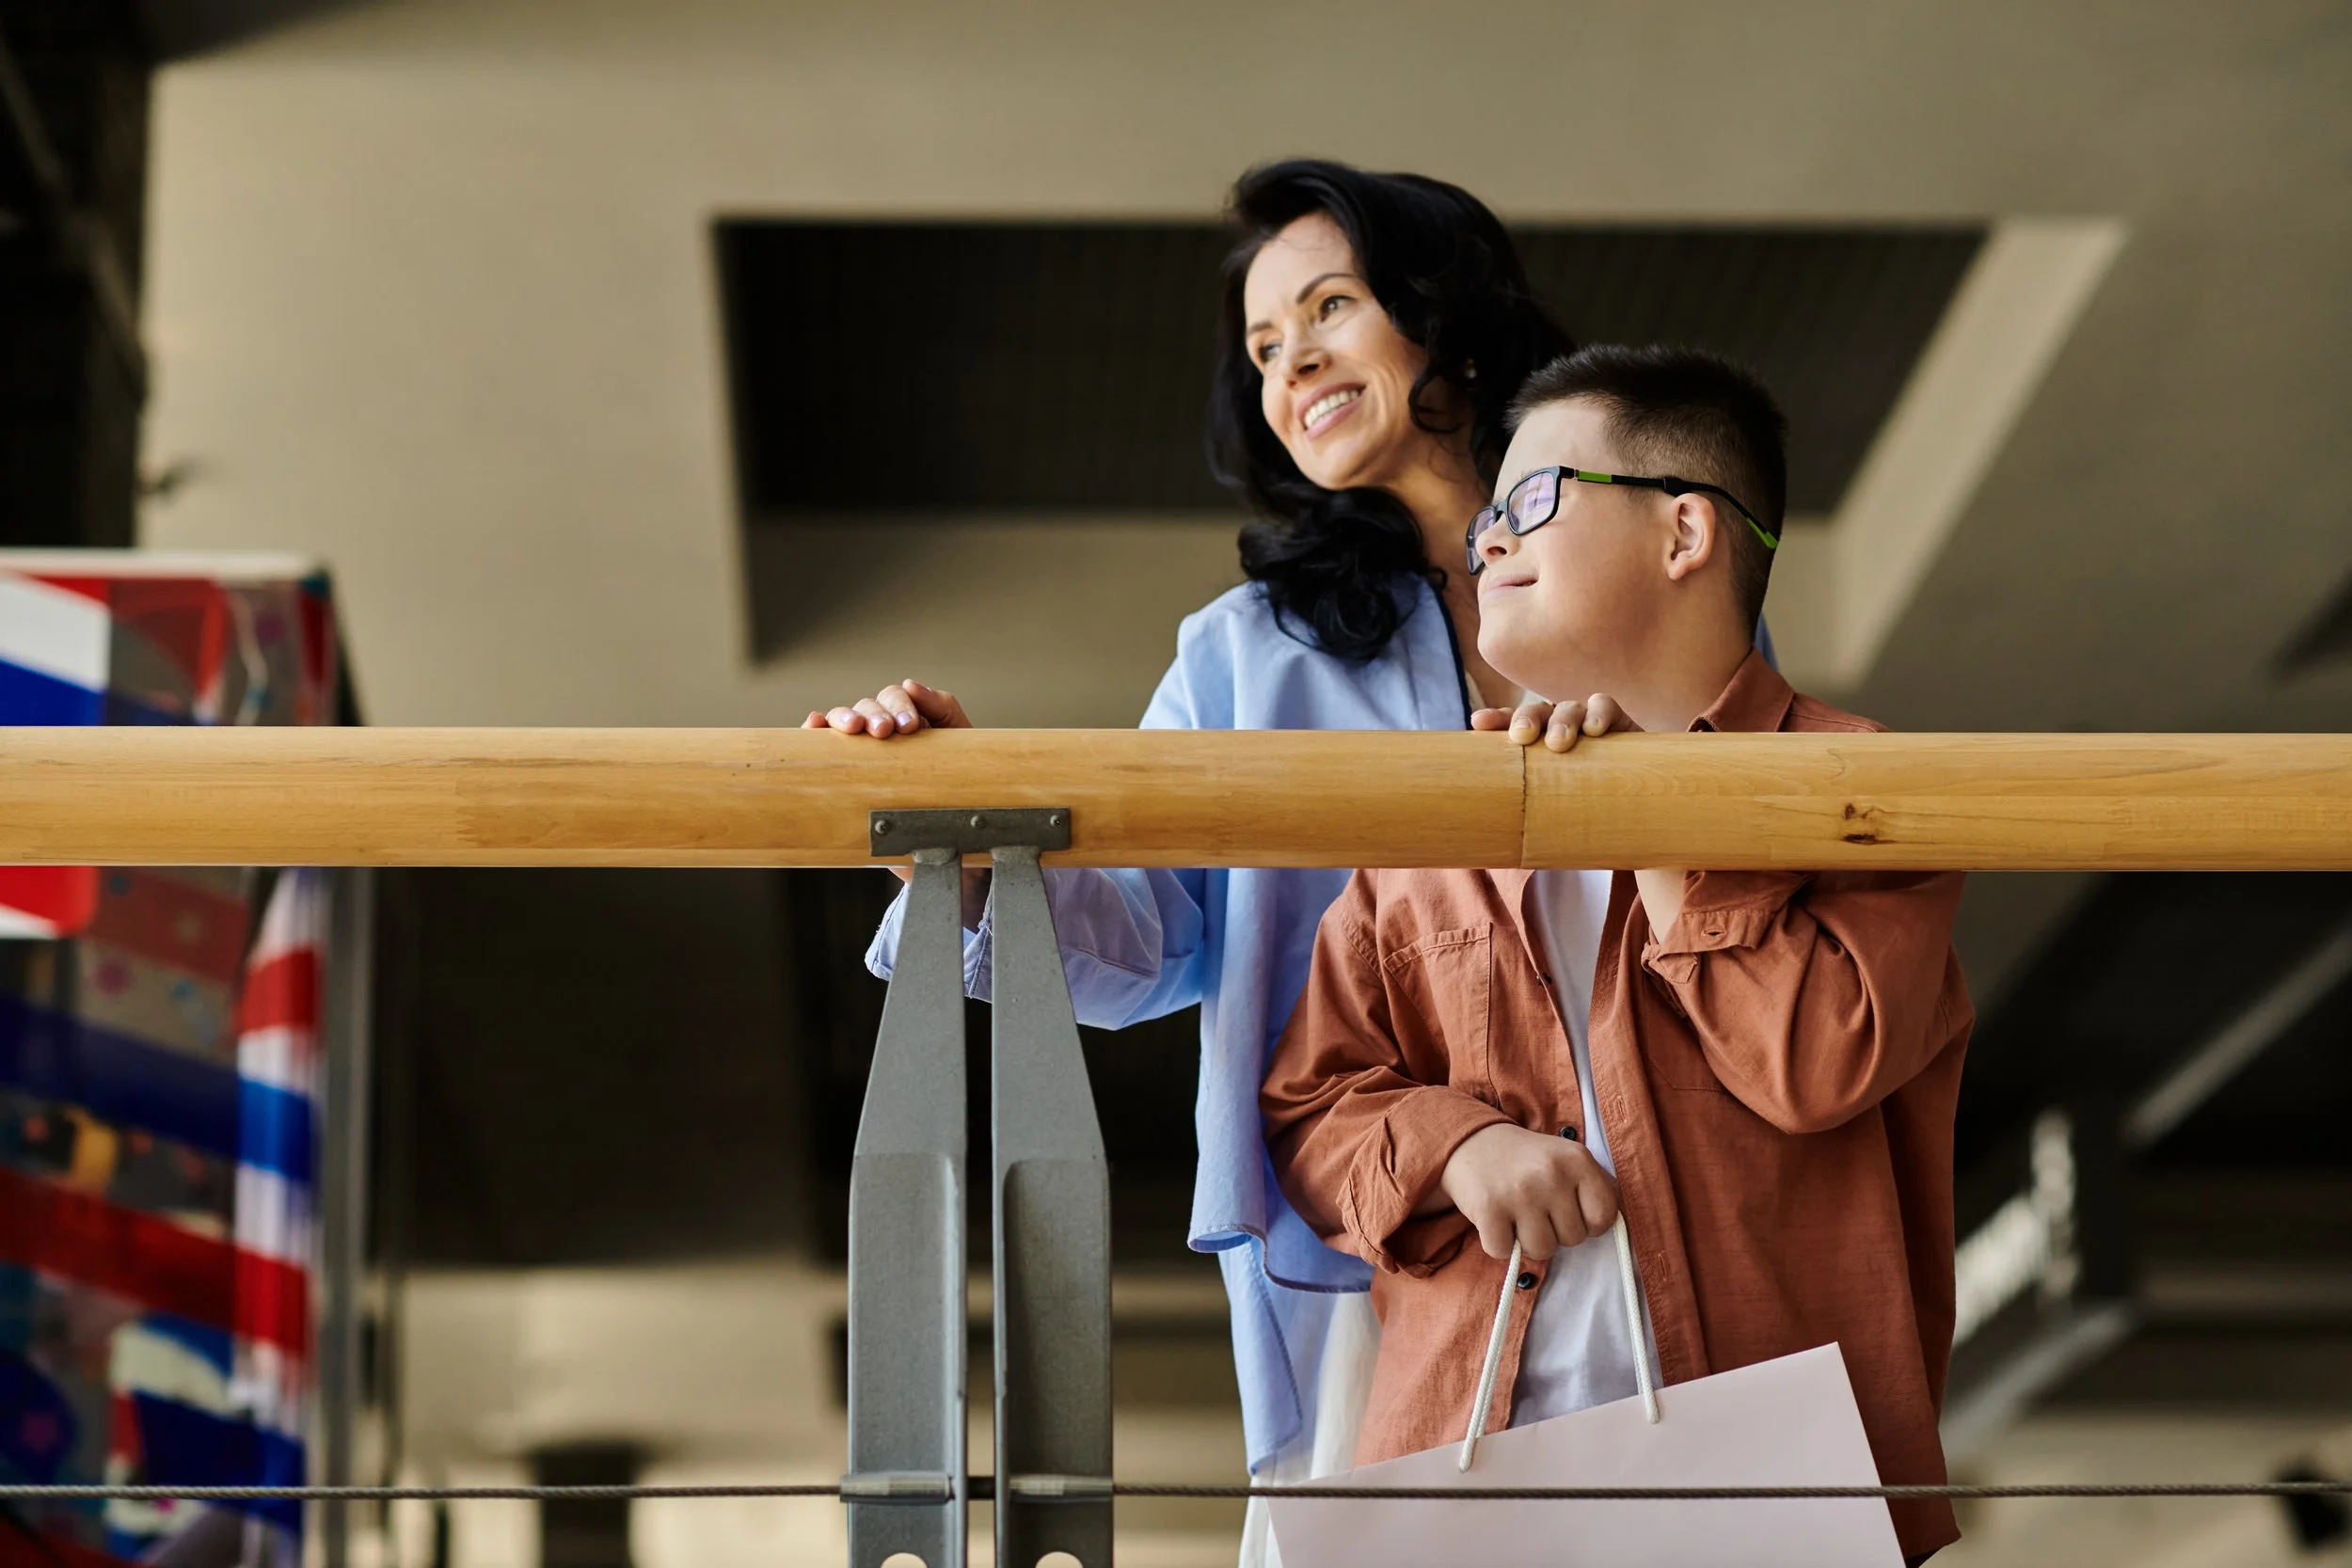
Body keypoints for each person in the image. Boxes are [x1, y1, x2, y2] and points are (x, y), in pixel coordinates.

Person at [806, 161, 1762, 1563]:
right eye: (1262, 347)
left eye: (1329, 308)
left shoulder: (1650, 564)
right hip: (1372, 1244)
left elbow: (1748, 878)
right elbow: (1142, 938)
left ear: (1445, 312)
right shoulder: (1244, 653)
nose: (1292, 363)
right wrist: (955, 836)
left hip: (1659, 1216)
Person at [1260, 344, 1971, 1564]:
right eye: (1487, 517)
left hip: (1773, 1501)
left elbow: (1814, 1061)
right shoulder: (1438, 820)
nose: (1487, 539)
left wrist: (1651, 817)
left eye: (1532, 498)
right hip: (1463, 1490)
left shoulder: (1862, 786)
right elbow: (1310, 1105)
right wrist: (1456, 1146)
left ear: (1684, 531)